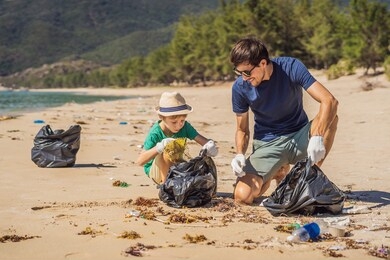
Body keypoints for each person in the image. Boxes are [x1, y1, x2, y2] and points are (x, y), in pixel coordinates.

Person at [229, 37, 338, 205]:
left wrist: (317, 136)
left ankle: (309, 177)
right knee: (242, 197)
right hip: (267, 143)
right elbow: (242, 129)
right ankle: (277, 171)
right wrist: (239, 154)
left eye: (247, 72)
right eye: (239, 73)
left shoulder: (291, 67)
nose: (244, 78)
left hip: (300, 135)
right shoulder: (240, 87)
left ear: (263, 64)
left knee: (331, 117)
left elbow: (329, 101)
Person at [136, 91, 218, 184]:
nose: (179, 125)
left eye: (182, 120)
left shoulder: (185, 127)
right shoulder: (155, 133)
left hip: (176, 165)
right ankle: (166, 185)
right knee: (168, 150)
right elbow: (140, 161)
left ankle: (176, 182)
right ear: (161, 117)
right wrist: (159, 147)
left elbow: (204, 141)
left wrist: (210, 145)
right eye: (174, 122)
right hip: (157, 171)